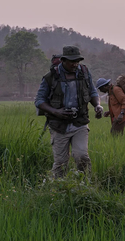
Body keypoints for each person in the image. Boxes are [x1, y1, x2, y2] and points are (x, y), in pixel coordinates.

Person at [35, 46, 104, 178]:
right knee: (61, 162)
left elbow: (92, 92)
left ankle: (85, 186)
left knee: (82, 156)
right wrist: (55, 112)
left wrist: (98, 106)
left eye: (77, 61)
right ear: (63, 60)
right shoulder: (51, 77)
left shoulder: (84, 72)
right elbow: (39, 101)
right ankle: (57, 189)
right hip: (58, 125)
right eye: (72, 61)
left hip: (80, 123)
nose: (75, 64)